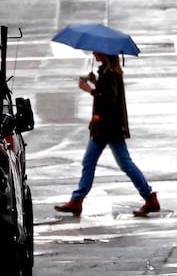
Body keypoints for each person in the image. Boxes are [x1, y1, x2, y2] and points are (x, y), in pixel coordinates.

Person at [54, 52, 161, 218]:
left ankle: (149, 197)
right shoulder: (106, 73)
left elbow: (109, 100)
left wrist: (89, 89)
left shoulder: (110, 74)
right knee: (92, 162)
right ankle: (77, 200)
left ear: (104, 54)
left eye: (96, 51)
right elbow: (108, 94)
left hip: (109, 128)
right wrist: (96, 82)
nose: (93, 53)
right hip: (105, 127)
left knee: (122, 163)